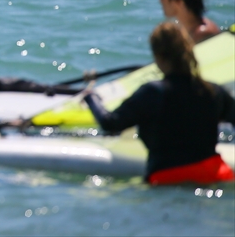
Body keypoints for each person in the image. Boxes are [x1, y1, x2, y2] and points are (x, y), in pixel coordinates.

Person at [85, 21, 235, 185]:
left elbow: (110, 123)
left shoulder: (153, 93)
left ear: (158, 57)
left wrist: (91, 97)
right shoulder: (212, 91)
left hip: (166, 177)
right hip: (216, 174)